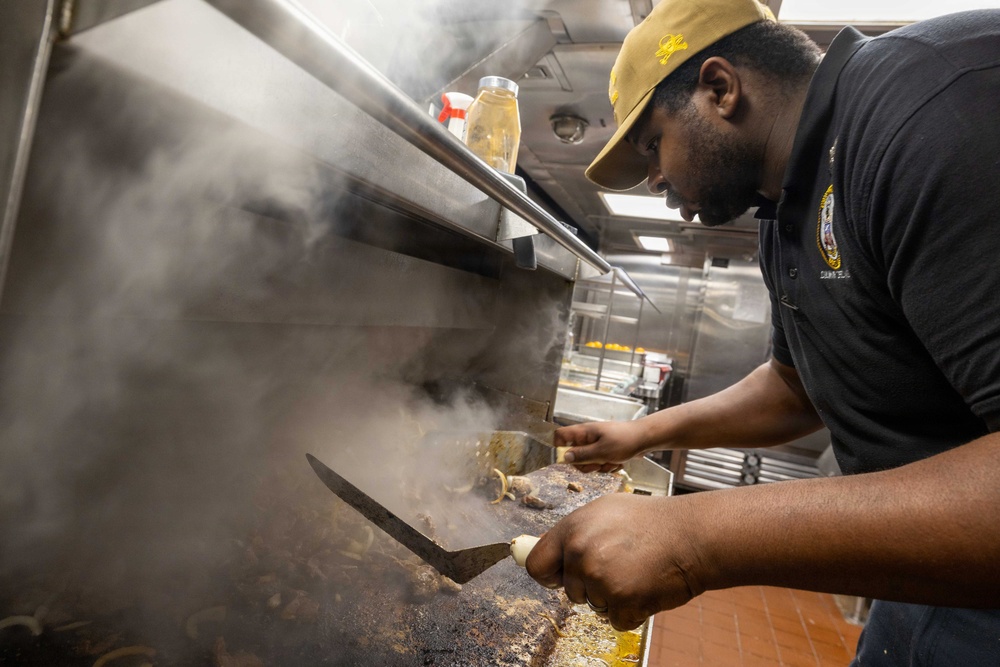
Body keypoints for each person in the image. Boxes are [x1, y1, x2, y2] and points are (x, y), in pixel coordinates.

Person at [523, 0, 1000, 662]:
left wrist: (698, 537)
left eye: (651, 145)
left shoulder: (926, 113)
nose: (656, 179)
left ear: (719, 88)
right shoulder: (783, 213)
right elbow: (794, 385)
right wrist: (643, 433)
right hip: (926, 586)